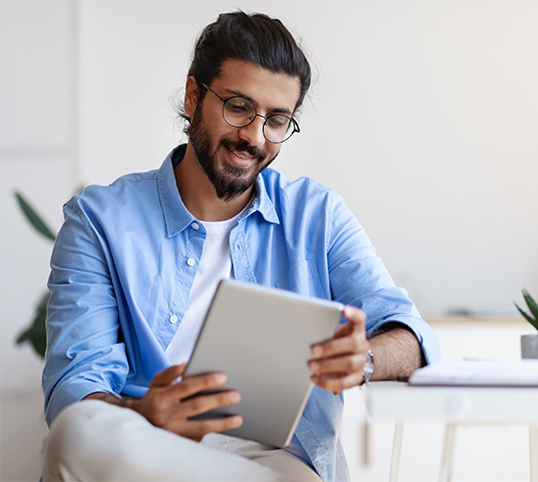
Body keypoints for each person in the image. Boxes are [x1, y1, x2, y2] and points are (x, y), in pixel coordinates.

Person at [41, 11, 440, 482]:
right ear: (193, 97)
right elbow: (75, 387)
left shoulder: (317, 216)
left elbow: (412, 336)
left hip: (275, 461)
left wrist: (365, 359)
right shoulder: (100, 219)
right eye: (238, 106)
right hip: (140, 447)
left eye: (276, 120)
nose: (254, 135)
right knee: (78, 432)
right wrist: (141, 411)